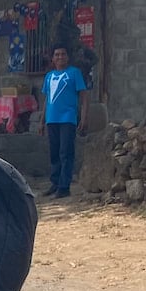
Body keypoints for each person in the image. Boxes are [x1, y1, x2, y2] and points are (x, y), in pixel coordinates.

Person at [37, 44, 88, 199]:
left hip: (68, 118)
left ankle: (64, 186)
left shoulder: (74, 73)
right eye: (57, 55)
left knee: (66, 152)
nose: (60, 57)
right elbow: (47, 99)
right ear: (52, 58)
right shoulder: (49, 76)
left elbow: (84, 97)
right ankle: (55, 182)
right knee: (54, 152)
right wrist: (42, 120)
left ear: (68, 57)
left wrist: (84, 118)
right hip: (52, 119)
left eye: (63, 54)